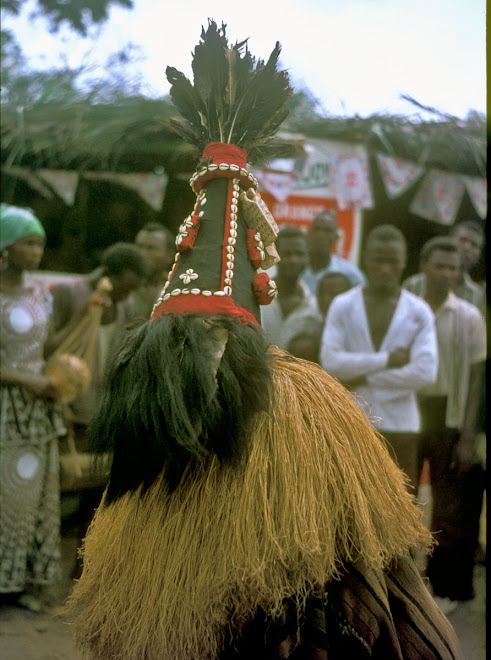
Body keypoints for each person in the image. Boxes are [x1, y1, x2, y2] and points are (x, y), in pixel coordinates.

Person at [66, 22, 462, 659]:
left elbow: (377, 589)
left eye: (209, 333)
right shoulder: (143, 438)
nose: (194, 345)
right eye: (179, 336)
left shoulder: (307, 410)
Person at [45, 242, 147, 578]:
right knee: (55, 494)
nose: (124, 298)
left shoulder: (124, 304)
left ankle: (80, 570)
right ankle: (43, 569)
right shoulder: (68, 293)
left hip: (100, 414)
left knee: (94, 494)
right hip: (64, 407)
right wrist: (83, 314)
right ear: (109, 275)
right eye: (123, 288)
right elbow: (47, 349)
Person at [321, 225, 438, 491]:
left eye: (392, 261)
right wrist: (387, 359)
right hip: (353, 420)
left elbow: (425, 373)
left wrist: (362, 376)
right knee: (351, 500)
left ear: (404, 262)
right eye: (378, 260)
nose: (385, 268)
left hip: (401, 425)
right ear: (365, 260)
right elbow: (331, 362)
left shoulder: (419, 311)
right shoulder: (343, 304)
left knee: (401, 505)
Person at [413, 236, 486, 615]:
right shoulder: (406, 307)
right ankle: (401, 583)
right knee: (402, 499)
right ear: (424, 266)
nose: (446, 274)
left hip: (448, 415)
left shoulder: (470, 318)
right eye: (439, 265)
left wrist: (469, 436)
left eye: (453, 268)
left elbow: (475, 379)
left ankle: (445, 587)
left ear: (461, 274)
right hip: (409, 411)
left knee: (447, 507)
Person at [0, 204, 66, 613]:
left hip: (39, 411)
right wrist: (27, 380)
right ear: (6, 246)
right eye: (28, 242)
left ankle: (25, 581)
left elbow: (47, 344)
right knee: (8, 495)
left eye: (40, 244)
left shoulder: (41, 293)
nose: (36, 251)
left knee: (37, 498)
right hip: (7, 410)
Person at [261, 225, 322, 350]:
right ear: (275, 257)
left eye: (299, 254)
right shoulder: (256, 298)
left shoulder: (313, 308)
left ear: (308, 258)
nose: (294, 260)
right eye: (287, 254)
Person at [403, 220, 485, 314]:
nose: (467, 247)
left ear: (479, 254)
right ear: (450, 239)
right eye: (462, 240)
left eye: (474, 245)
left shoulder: (478, 296)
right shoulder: (414, 284)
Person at [300, 209, 365, 295]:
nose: (320, 235)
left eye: (327, 231)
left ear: (336, 237)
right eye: (317, 229)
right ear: (309, 234)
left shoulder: (350, 274)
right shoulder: (297, 269)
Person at [132, 222, 175, 319]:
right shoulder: (124, 285)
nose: (142, 254)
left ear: (169, 256)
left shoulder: (174, 288)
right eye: (139, 247)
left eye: (150, 248)